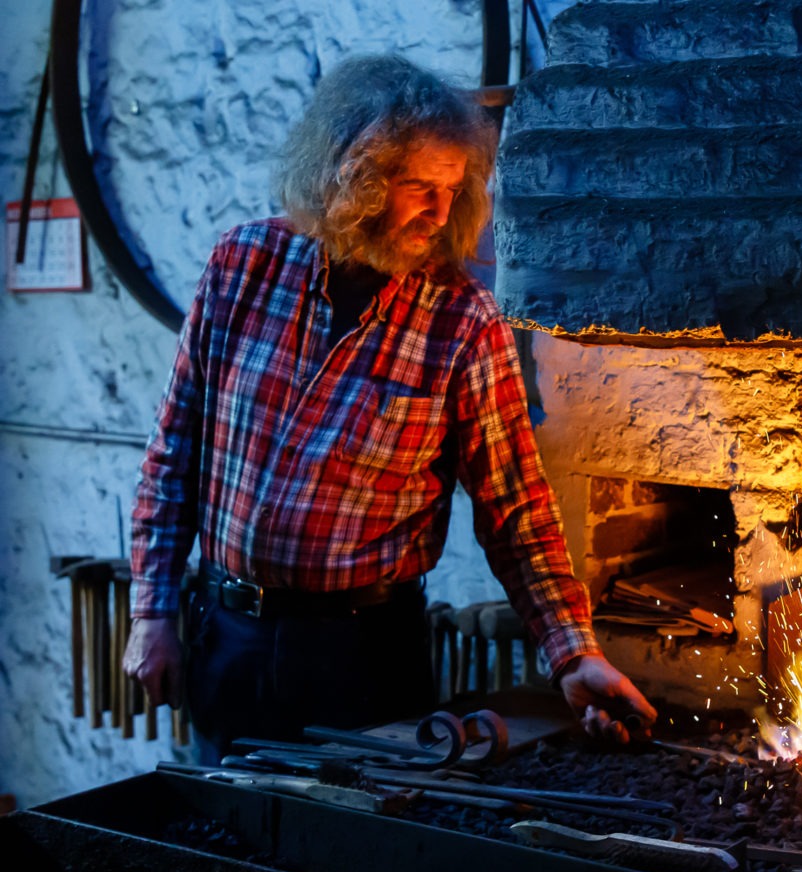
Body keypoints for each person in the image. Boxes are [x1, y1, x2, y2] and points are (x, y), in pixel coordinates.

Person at [122, 54, 655, 765]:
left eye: (452, 188)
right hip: (228, 636)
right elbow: (172, 453)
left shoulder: (464, 322)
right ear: (351, 175)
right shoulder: (242, 264)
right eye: (415, 186)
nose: (438, 214)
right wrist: (151, 609)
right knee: (230, 843)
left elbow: (516, 511)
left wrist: (571, 653)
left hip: (364, 656)